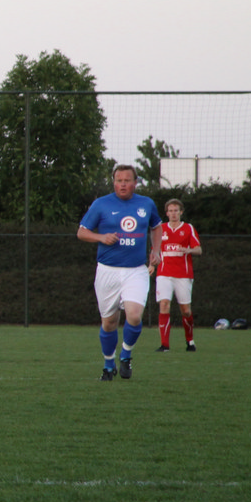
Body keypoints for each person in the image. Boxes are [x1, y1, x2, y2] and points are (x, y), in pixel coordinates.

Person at [77, 163, 162, 381]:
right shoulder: (101, 204)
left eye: (127, 181)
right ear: (114, 182)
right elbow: (82, 232)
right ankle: (108, 365)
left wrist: (156, 250)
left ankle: (125, 355)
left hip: (136, 270)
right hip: (108, 271)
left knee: (134, 316)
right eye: (119, 181)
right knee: (109, 323)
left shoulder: (146, 203)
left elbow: (156, 226)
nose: (123, 185)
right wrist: (100, 237)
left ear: (135, 182)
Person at [155, 197, 201, 353]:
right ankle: (164, 345)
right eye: (170, 211)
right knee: (164, 304)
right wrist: (151, 265)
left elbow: (199, 249)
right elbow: (155, 251)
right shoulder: (160, 229)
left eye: (176, 210)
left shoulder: (188, 228)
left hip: (183, 274)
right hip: (164, 273)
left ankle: (190, 341)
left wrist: (189, 250)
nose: (173, 213)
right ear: (166, 213)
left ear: (181, 212)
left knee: (185, 310)